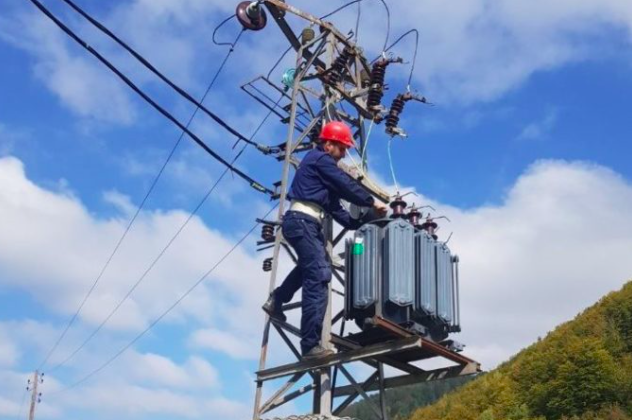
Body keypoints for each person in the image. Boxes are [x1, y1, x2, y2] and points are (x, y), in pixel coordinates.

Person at [263, 121, 388, 360]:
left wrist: (358, 223)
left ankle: (277, 300)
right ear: (329, 144)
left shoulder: (322, 170)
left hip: (306, 223)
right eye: (342, 149)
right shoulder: (320, 159)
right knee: (320, 274)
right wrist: (371, 202)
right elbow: (345, 184)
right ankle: (310, 346)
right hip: (302, 221)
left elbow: (334, 206)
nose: (343, 155)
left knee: (308, 268)